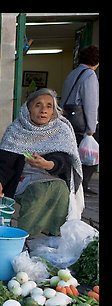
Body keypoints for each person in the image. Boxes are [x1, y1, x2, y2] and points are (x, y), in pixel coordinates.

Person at [0, 88, 83, 237]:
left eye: (49, 106)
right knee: (39, 190)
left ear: (53, 111)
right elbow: (2, 163)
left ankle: (56, 236)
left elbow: (65, 161)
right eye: (38, 105)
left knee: (59, 188)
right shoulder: (16, 129)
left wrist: (48, 165)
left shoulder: (61, 130)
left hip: (52, 177)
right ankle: (25, 236)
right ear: (28, 108)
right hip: (22, 181)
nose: (43, 110)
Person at [60, 45, 99, 196]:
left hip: (69, 117)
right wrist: (91, 127)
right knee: (90, 153)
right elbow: (91, 102)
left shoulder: (73, 73)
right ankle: (83, 185)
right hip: (81, 120)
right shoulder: (89, 75)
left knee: (73, 152)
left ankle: (71, 183)